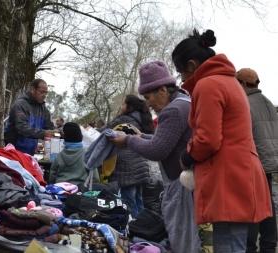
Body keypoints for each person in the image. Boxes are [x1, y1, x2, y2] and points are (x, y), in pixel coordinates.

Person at [172, 29, 272, 252]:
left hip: (227, 174)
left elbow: (208, 139)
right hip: (240, 170)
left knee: (227, 245)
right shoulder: (229, 82)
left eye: (180, 73)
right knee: (235, 242)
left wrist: (187, 156)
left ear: (191, 65)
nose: (182, 79)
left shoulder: (208, 85)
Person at [110, 61, 201, 252]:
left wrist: (127, 140)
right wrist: (142, 136)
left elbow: (157, 150)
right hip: (192, 183)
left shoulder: (173, 111)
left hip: (182, 187)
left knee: (184, 240)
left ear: (162, 90)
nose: (148, 103)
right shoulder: (186, 102)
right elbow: (168, 141)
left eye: (148, 97)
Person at [236, 68, 278, 253]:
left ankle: (250, 248)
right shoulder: (268, 102)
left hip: (254, 162)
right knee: (268, 204)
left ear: (243, 84)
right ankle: (269, 246)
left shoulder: (246, 103)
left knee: (252, 208)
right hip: (270, 161)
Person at [100, 94, 153, 218]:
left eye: (123, 104)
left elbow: (105, 132)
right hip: (141, 166)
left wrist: (87, 131)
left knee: (129, 203)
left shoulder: (124, 119)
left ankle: (133, 230)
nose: (120, 106)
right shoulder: (143, 119)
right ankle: (143, 227)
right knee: (139, 201)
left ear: (130, 107)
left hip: (127, 168)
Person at [4, 79, 56, 156]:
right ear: (32, 89)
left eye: (46, 93)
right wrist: (43, 133)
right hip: (14, 152)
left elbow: (49, 126)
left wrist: (60, 133)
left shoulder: (43, 108)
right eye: (41, 92)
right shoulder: (20, 105)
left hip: (30, 153)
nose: (44, 95)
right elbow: (22, 128)